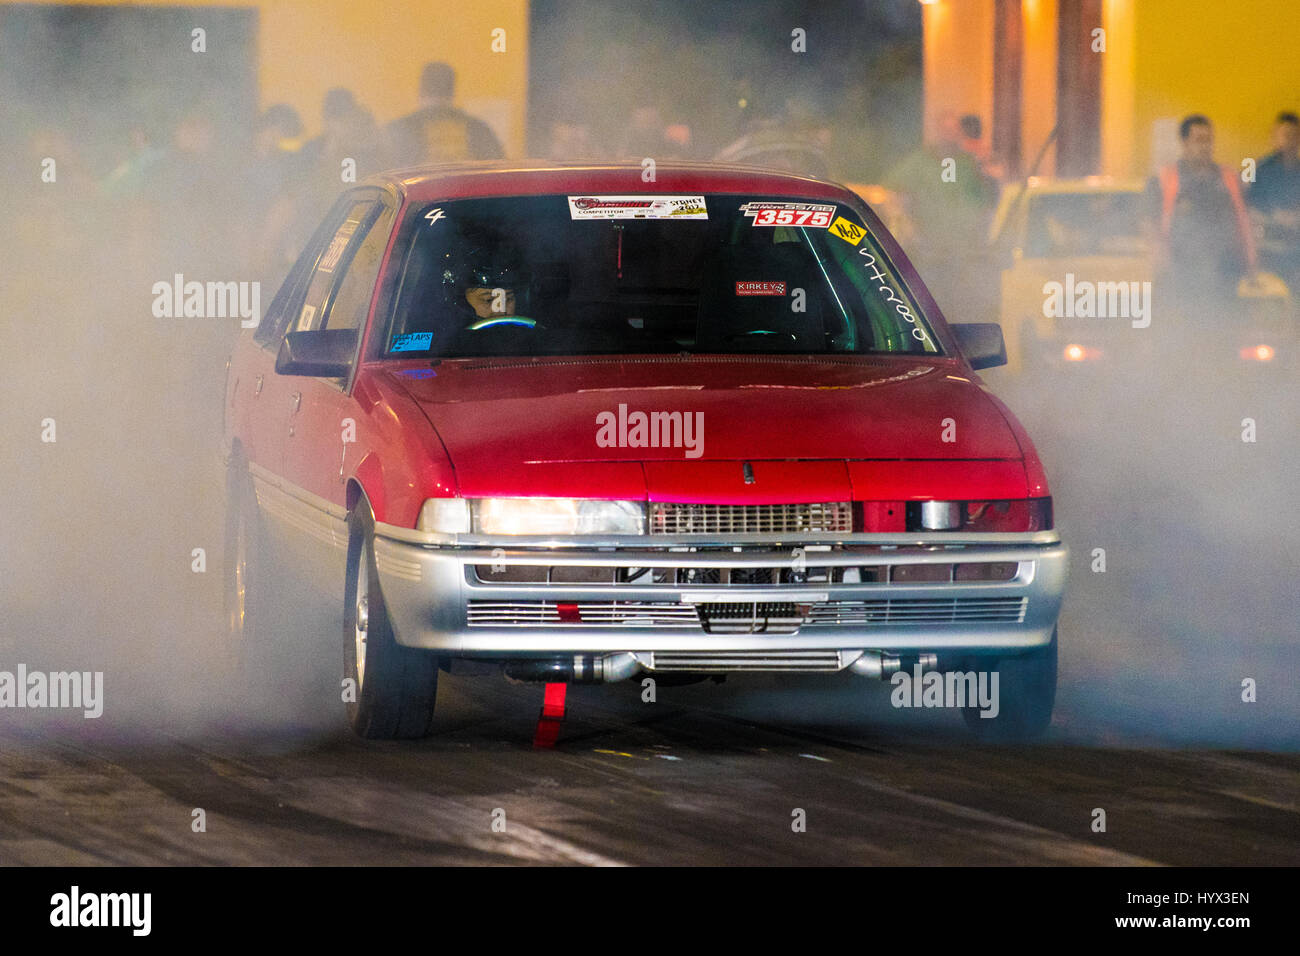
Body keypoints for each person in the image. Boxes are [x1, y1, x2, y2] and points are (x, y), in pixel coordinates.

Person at [1143, 114, 1258, 315]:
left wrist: (1250, 263)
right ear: (1184, 142)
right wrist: (1160, 259)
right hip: (1180, 276)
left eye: (1208, 140)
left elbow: (1244, 221)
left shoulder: (1229, 178)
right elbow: (1148, 223)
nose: (1205, 146)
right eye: (1199, 140)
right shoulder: (1164, 181)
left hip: (1225, 275)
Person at [385, 62, 504, 166]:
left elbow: (382, 173)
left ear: (421, 90)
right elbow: (498, 169)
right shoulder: (477, 128)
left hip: (419, 191)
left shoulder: (400, 129)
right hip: (466, 190)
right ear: (452, 91)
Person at [1247, 111, 1300, 289]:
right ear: (1274, 137)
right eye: (1285, 135)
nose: (1289, 141)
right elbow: (1246, 210)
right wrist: (1275, 217)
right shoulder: (1259, 170)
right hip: (1268, 251)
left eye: (1294, 136)